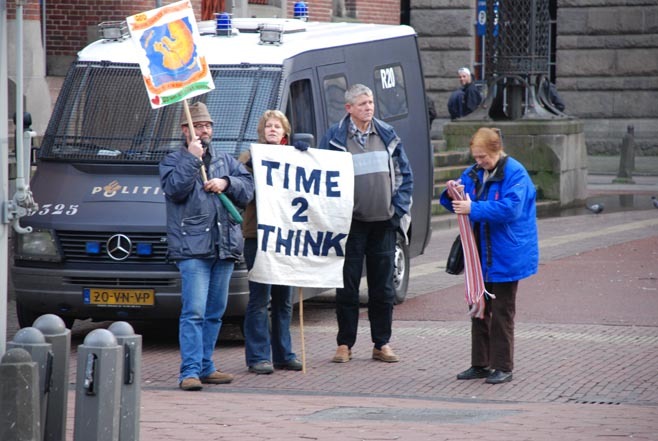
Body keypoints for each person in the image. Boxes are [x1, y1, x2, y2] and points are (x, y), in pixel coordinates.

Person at [159, 101, 254, 391]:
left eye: (208, 125)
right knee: (195, 311)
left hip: (223, 248)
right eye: (198, 125)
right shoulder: (173, 160)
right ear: (185, 130)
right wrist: (191, 159)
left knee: (215, 312)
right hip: (192, 251)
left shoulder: (226, 161)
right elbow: (175, 190)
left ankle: (205, 365)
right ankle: (188, 371)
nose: (205, 130)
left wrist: (226, 183)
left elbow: (248, 188)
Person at [319, 84, 413, 364]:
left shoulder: (387, 134)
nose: (369, 107)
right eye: (362, 104)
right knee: (347, 287)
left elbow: (405, 175)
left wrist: (396, 213)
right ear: (349, 108)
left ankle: (381, 343)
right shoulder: (334, 137)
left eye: (370, 102)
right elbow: (321, 176)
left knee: (382, 288)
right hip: (350, 226)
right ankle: (344, 344)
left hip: (384, 223)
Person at [439, 127, 538, 384]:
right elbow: (458, 198)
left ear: (497, 151)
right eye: (476, 156)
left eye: (483, 156)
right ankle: (481, 363)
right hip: (481, 253)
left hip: (507, 253)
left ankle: (502, 366)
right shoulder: (475, 172)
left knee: (503, 311)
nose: (479, 161)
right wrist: (451, 195)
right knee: (479, 307)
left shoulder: (515, 173)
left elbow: (511, 209)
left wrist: (473, 207)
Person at [238, 110, 307, 375]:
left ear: (285, 132)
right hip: (258, 235)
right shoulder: (249, 158)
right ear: (262, 131)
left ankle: (283, 353)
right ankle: (257, 356)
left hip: (285, 237)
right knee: (259, 299)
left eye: (277, 126)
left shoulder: (295, 157)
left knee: (283, 299)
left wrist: (304, 155)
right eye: (268, 126)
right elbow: (242, 190)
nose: (272, 129)